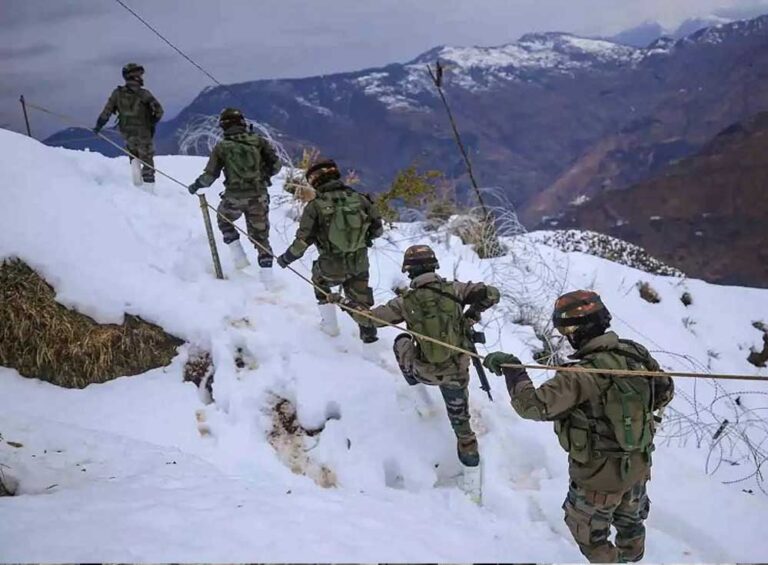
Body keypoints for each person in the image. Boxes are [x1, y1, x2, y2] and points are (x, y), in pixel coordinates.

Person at [483, 290, 674, 563]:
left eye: (566, 331)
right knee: (631, 525)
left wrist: (514, 371)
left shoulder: (580, 375)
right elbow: (665, 392)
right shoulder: (634, 353)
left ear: (576, 332)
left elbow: (532, 406)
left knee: (590, 537)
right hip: (638, 468)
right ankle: (631, 559)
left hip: (597, 478)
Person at [339, 244, 500, 502]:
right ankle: (473, 488)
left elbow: (369, 319)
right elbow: (492, 293)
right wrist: (471, 314)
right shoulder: (456, 290)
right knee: (462, 428)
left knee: (401, 342)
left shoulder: (405, 302)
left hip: (424, 371)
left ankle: (422, 402)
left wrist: (345, 303)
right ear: (434, 266)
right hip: (456, 375)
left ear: (409, 271)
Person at [276, 158, 383, 342]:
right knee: (361, 304)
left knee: (319, 282)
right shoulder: (360, 199)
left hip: (331, 266)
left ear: (315, 182)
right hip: (360, 263)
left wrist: (286, 259)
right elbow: (378, 230)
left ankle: (330, 326)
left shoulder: (314, 207)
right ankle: (369, 341)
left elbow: (303, 242)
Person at [188, 108, 280, 279]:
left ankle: (238, 256)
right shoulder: (259, 142)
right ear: (243, 123)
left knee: (224, 220)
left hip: (234, 197)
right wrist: (263, 176)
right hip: (258, 197)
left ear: (223, 126)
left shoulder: (222, 147)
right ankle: (269, 280)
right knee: (261, 239)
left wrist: (196, 186)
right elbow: (276, 166)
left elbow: (210, 175)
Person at [94, 63, 163, 188]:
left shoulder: (117, 94)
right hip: (143, 133)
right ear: (135, 76)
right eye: (140, 75)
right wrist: (151, 122)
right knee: (147, 160)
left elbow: (106, 112)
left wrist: (98, 126)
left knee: (133, 157)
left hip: (126, 132)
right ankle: (149, 191)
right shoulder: (144, 94)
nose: (141, 77)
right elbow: (159, 111)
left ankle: (137, 186)